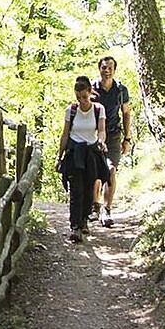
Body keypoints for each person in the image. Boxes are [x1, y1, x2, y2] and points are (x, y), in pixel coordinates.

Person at [55, 76, 110, 240]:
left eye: (84, 97)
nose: (81, 100)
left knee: (88, 189)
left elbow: (101, 130)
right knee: (76, 189)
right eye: (78, 97)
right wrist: (59, 156)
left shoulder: (99, 109)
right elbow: (65, 135)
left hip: (91, 153)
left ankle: (84, 219)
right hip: (74, 153)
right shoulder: (71, 110)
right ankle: (75, 226)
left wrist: (101, 142)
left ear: (90, 92)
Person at [92, 55, 132, 224]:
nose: (107, 71)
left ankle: (107, 210)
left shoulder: (121, 90)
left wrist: (127, 138)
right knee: (95, 173)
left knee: (111, 170)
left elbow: (126, 113)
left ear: (114, 70)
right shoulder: (92, 88)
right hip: (94, 136)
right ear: (99, 69)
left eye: (110, 68)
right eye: (104, 67)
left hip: (114, 135)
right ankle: (95, 207)